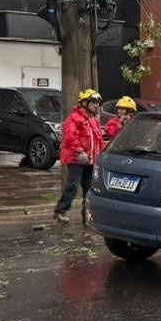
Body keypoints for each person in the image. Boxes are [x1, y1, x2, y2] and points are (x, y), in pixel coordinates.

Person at [55, 89, 104, 224]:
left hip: (90, 161)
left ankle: (87, 216)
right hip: (76, 159)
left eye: (97, 103)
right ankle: (61, 211)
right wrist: (79, 152)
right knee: (73, 185)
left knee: (89, 189)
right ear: (84, 102)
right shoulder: (74, 119)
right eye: (93, 102)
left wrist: (101, 155)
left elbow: (99, 140)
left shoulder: (94, 121)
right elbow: (71, 137)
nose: (96, 106)